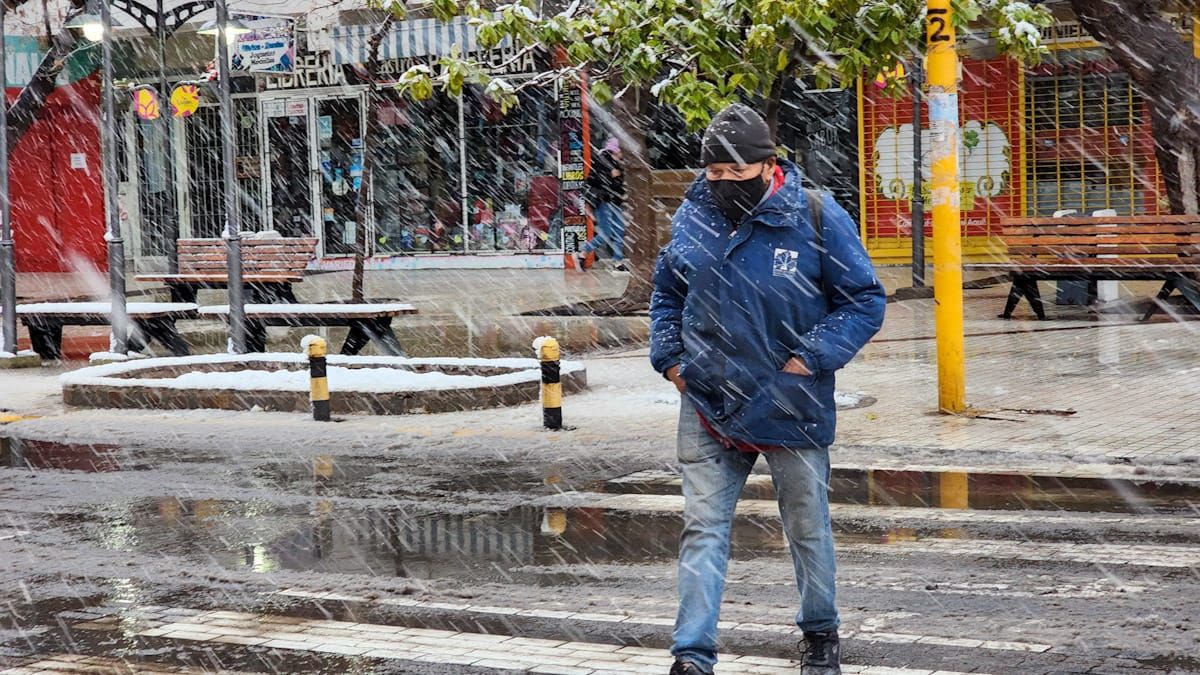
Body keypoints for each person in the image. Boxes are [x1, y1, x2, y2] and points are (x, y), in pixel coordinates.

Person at [649, 103, 886, 675]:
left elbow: (864, 300)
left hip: (789, 399)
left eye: (738, 173)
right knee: (702, 528)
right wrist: (671, 361)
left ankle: (820, 633)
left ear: (768, 165)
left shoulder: (815, 215)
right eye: (714, 174)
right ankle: (693, 655)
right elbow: (667, 296)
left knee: (806, 526)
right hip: (707, 398)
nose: (725, 185)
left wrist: (810, 358)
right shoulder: (692, 218)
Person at [580, 137, 627, 270]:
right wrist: (609, 175)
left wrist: (621, 192)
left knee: (619, 231)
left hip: (615, 202)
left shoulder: (618, 163)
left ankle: (617, 261)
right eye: (621, 150)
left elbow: (618, 183)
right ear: (616, 149)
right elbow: (594, 180)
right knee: (606, 233)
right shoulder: (602, 160)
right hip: (604, 201)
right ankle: (584, 252)